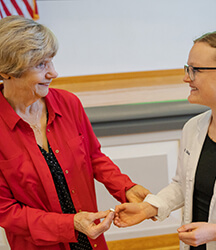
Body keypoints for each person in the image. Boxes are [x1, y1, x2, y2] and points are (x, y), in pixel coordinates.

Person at [0, 15, 151, 250]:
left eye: (51, 61)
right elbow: (6, 211)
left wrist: (126, 187)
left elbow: (94, 157)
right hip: (40, 244)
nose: (53, 73)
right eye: (41, 65)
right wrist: (71, 224)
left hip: (90, 238)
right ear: (8, 71)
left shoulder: (68, 103)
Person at [114, 29, 216, 250]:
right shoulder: (193, 128)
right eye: (188, 68)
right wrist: (150, 207)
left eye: (196, 70)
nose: (186, 78)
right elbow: (182, 185)